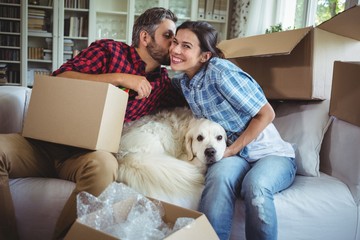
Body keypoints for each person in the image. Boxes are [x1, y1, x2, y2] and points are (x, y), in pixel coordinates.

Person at [0, 7, 185, 240]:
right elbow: (60, 79)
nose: (174, 45)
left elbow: (193, 99)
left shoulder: (163, 85)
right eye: (168, 36)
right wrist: (120, 78)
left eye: (177, 39)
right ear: (145, 37)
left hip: (86, 157)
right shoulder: (109, 50)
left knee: (105, 166)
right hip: (43, 144)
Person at [169, 21, 297, 240]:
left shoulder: (220, 72)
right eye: (174, 42)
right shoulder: (185, 83)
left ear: (205, 56)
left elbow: (266, 114)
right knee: (218, 179)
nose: (175, 50)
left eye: (186, 46)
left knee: (254, 185)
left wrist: (231, 150)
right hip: (235, 156)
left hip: (269, 153)